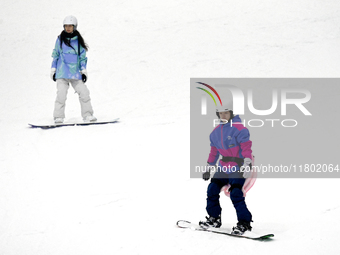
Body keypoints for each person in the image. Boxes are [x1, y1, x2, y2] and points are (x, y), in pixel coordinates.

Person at [199, 104, 253, 235]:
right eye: (221, 113)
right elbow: (214, 151)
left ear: (232, 113)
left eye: (226, 113)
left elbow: (246, 148)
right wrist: (209, 167)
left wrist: (248, 163)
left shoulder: (240, 129)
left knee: (235, 193)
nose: (223, 116)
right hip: (223, 166)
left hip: (238, 166)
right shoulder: (215, 132)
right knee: (212, 189)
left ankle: (244, 223)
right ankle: (214, 218)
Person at [50, 15, 96, 123]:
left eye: (70, 26)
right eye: (66, 26)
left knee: (84, 92)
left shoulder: (78, 41)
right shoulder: (60, 39)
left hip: (75, 73)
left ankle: (88, 115)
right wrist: (53, 69)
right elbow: (55, 55)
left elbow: (82, 58)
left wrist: (83, 71)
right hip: (62, 72)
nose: (68, 28)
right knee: (61, 94)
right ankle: (58, 116)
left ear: (74, 27)